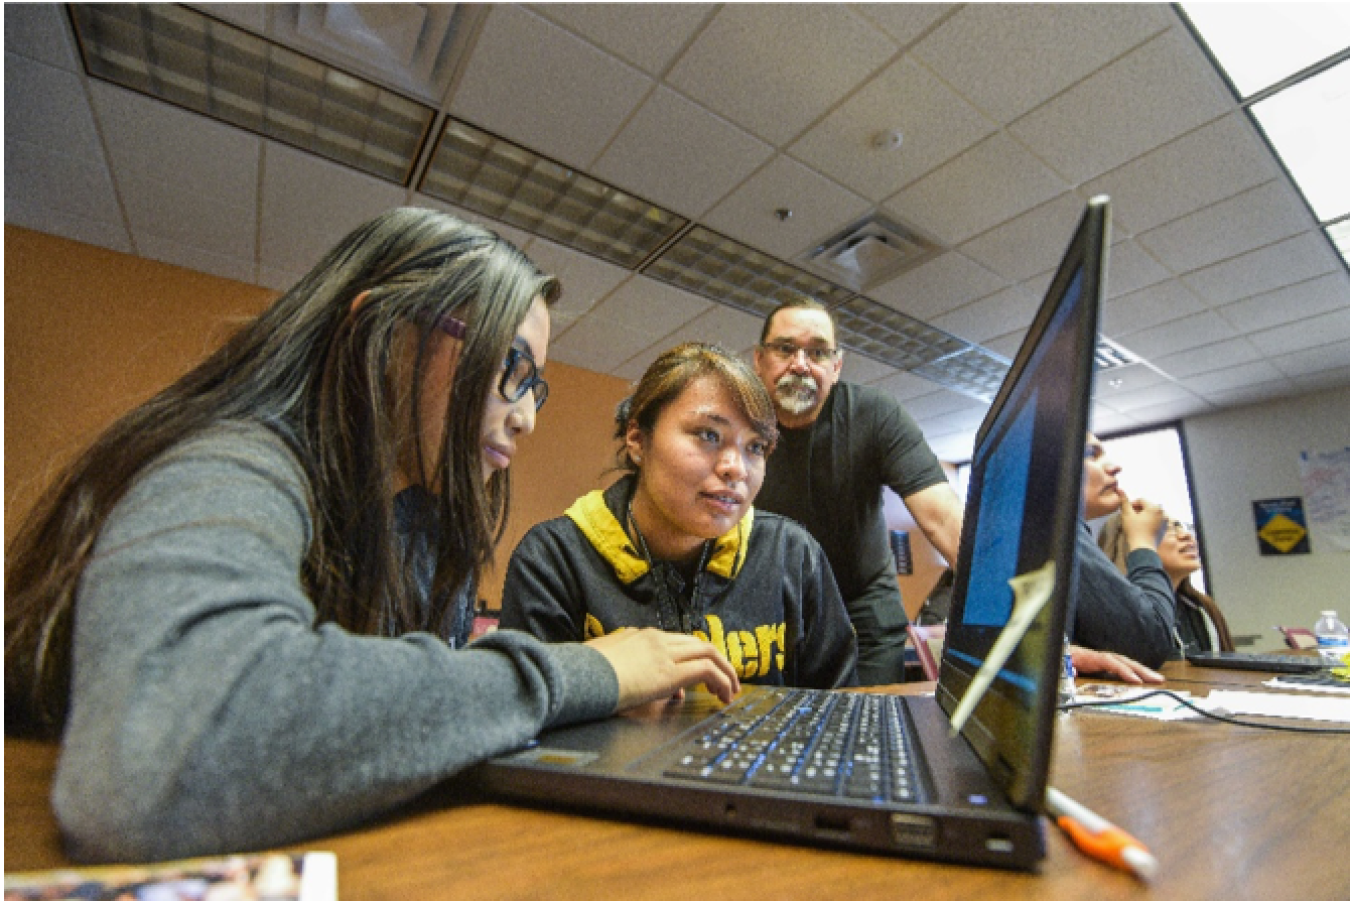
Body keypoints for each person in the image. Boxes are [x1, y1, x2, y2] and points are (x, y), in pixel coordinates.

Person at [2, 208, 738, 863]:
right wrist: (585, 671)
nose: (527, 417)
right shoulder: (234, 462)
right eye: (509, 369)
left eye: (534, 385)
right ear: (381, 333)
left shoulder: (418, 518)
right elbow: (155, 764)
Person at [501, 343, 858, 689]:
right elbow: (527, 718)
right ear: (638, 440)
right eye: (708, 435)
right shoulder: (554, 559)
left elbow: (842, 704)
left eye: (755, 447)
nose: (736, 469)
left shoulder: (792, 555)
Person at [750, 297, 963, 685]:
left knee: (869, 727)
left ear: (836, 366)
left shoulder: (876, 414)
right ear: (759, 360)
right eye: (785, 348)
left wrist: (1025, 635)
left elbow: (946, 520)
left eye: (817, 352)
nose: (800, 363)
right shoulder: (737, 422)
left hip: (863, 612)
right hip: (770, 611)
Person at [1068, 433, 1177, 672]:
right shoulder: (1057, 529)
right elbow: (1148, 642)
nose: (1115, 467)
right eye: (1090, 454)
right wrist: (1143, 542)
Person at [1099, 514, 1234, 655]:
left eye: (1180, 526)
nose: (1186, 535)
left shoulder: (1203, 608)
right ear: (1132, 544)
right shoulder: (1115, 613)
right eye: (1166, 529)